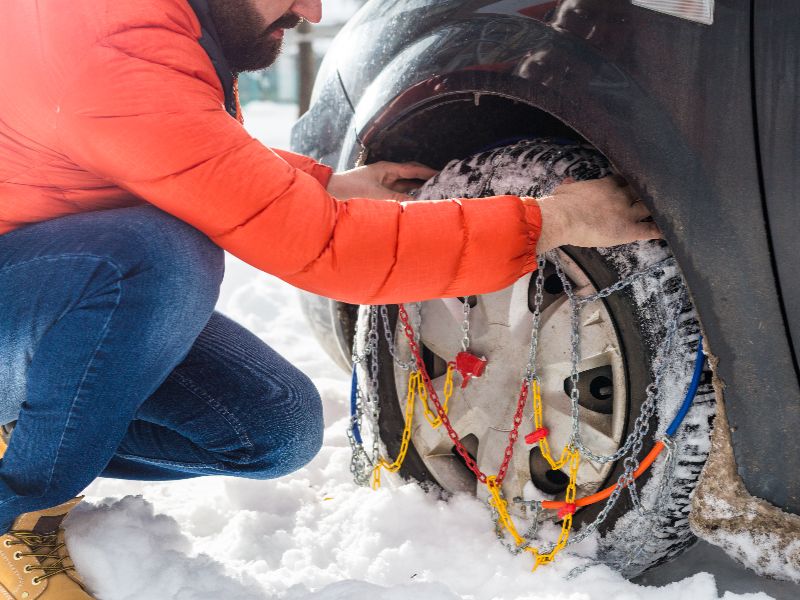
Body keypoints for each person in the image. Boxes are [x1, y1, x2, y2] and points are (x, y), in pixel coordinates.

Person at [0, 1, 660, 597]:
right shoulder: (109, 43)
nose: (312, 11)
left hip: (41, 290)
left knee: (272, 430)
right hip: (33, 286)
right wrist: (556, 220)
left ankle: (20, 438)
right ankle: (16, 513)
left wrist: (324, 186)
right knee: (161, 259)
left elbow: (175, 143)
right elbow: (329, 249)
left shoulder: (148, 26)